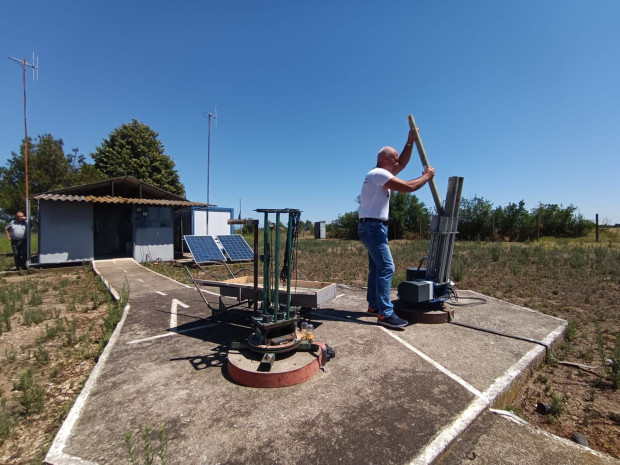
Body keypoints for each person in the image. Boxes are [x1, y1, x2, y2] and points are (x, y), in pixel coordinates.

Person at [358, 127, 435, 329]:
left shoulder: (380, 173)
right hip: (373, 227)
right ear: (384, 159)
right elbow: (409, 187)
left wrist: (410, 142)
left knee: (376, 268)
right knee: (386, 267)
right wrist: (426, 176)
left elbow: (402, 164)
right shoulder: (378, 174)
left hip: (372, 227)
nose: (397, 163)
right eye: (394, 159)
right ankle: (385, 314)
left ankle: (374, 306)